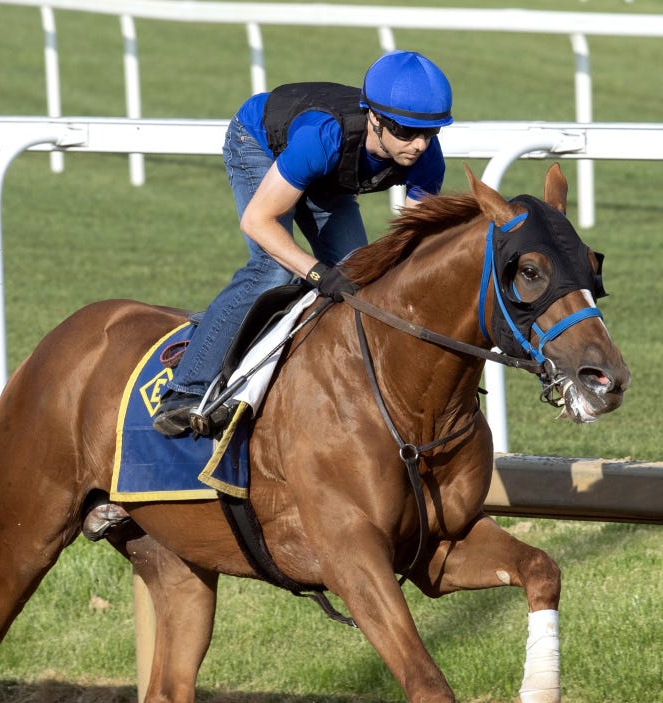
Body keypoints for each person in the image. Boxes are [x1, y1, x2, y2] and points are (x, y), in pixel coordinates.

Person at [152, 49, 454, 436]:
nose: (419, 146)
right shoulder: (323, 138)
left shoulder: (428, 160)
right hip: (259, 142)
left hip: (328, 175)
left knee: (361, 278)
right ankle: (187, 390)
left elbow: (413, 246)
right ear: (375, 118)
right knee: (273, 267)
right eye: (406, 132)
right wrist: (315, 272)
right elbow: (258, 221)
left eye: (430, 133)